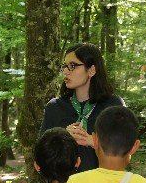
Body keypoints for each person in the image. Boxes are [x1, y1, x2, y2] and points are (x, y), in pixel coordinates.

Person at [40, 42, 124, 172]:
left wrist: (94, 142)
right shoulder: (54, 107)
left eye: (72, 66)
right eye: (65, 66)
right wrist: (61, 139)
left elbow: (126, 149)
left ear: (91, 70)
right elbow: (41, 158)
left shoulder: (113, 106)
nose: (66, 72)